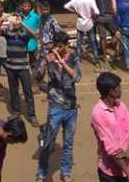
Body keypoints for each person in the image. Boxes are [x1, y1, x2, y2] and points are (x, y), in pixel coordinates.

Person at [35, 31, 81, 182]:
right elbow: (37, 76)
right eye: (55, 45)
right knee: (48, 142)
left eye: (59, 46)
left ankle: (65, 172)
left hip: (71, 107)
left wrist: (63, 63)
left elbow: (77, 77)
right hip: (55, 106)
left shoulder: (73, 57)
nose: (56, 48)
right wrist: (45, 62)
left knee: (68, 143)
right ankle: (41, 173)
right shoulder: (49, 56)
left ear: (66, 45)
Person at [90, 72, 129, 182]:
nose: (121, 89)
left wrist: (128, 152)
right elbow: (112, 149)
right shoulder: (98, 114)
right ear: (110, 91)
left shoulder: (121, 105)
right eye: (118, 87)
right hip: (110, 174)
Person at [0, 14, 39, 126]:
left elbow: (34, 35)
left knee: (28, 92)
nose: (15, 21)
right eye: (14, 19)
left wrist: (22, 23)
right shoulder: (7, 32)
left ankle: (32, 115)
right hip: (10, 67)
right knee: (13, 91)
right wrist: (1, 20)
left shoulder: (24, 33)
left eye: (17, 19)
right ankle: (16, 112)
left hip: (23, 68)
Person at [64, 0, 101, 68]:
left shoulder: (76, 0)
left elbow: (66, 6)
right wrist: (93, 17)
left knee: (79, 41)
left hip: (80, 21)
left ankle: (78, 58)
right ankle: (96, 59)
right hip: (89, 21)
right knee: (92, 41)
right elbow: (97, 12)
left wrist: (74, 11)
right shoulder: (90, 0)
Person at [93, 0, 119, 65]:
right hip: (110, 17)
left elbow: (93, 7)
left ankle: (104, 56)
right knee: (114, 34)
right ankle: (116, 52)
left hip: (100, 18)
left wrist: (95, 17)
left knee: (102, 38)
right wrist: (115, 16)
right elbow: (114, 7)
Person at [18, 0, 40, 71]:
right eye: (25, 6)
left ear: (31, 7)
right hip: (22, 42)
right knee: (23, 61)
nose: (26, 8)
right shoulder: (19, 16)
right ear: (21, 7)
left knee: (34, 60)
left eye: (28, 6)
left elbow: (40, 25)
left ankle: (35, 76)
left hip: (33, 41)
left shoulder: (35, 16)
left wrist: (38, 32)